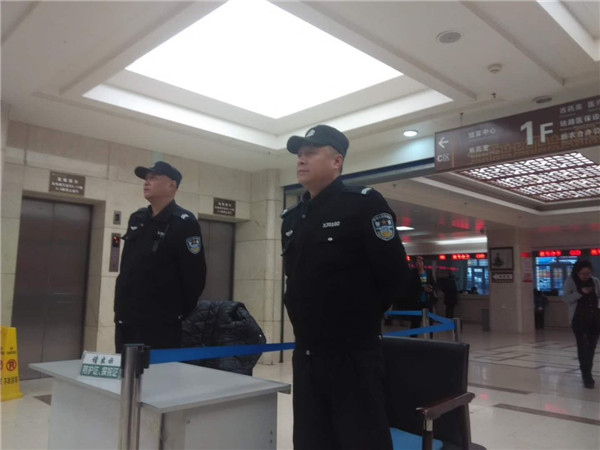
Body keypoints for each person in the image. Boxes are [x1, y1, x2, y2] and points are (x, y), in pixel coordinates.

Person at [281, 124, 409, 450]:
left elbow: (394, 275)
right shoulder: (293, 217)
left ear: (337, 161)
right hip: (306, 353)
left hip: (353, 354)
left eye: (311, 153)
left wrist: (357, 318)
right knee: (311, 439)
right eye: (299, 154)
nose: (301, 160)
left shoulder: (363, 204)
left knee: (359, 439)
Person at [114, 161, 207, 352]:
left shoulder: (184, 222)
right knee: (126, 369)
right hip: (127, 318)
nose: (146, 182)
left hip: (161, 322)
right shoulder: (137, 218)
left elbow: (194, 275)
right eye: (146, 178)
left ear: (171, 185)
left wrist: (176, 313)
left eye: (153, 177)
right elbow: (127, 266)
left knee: (160, 371)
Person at [563, 260, 600, 389]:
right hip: (579, 320)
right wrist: (580, 292)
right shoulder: (571, 281)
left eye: (588, 273)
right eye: (582, 273)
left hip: (595, 319)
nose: (585, 276)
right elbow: (566, 299)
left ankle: (588, 370)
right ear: (577, 272)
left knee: (591, 347)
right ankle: (586, 375)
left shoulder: (595, 281)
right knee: (583, 347)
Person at [404, 256, 437, 331]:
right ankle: (414, 336)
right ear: (414, 264)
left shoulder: (428, 272)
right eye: (417, 262)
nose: (419, 263)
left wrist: (431, 288)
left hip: (427, 301)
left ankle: (430, 336)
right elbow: (410, 287)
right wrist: (422, 289)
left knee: (429, 321)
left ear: (423, 263)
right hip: (416, 301)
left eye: (420, 262)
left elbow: (434, 284)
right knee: (415, 322)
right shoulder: (412, 273)